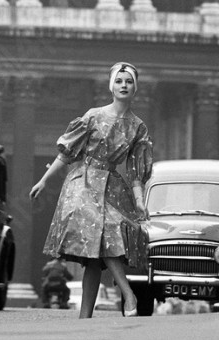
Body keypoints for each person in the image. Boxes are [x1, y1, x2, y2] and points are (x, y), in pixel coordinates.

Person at [29, 62, 153, 319]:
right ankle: (129, 293)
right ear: (111, 86)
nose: (123, 86)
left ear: (135, 87)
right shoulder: (93, 116)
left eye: (128, 82)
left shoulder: (138, 127)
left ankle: (85, 318)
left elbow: (136, 173)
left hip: (112, 185)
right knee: (106, 230)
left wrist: (140, 202)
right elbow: (66, 154)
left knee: (97, 255)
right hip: (83, 181)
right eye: (119, 81)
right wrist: (43, 180)